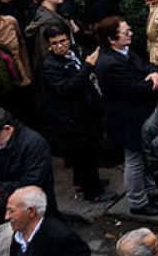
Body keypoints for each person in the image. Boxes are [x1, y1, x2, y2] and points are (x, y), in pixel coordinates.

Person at [93, 16, 158, 216]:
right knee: (134, 159)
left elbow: (146, 66)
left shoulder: (124, 52)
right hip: (127, 120)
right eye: (125, 32)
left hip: (137, 115)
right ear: (111, 39)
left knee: (143, 155)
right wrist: (153, 81)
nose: (130, 33)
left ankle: (149, 190)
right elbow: (135, 88)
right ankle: (138, 201)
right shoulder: (110, 64)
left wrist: (154, 73)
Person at [35, 25, 105, 203]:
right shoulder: (50, 66)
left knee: (86, 152)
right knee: (83, 153)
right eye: (54, 43)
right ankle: (93, 191)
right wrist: (88, 66)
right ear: (49, 46)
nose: (60, 46)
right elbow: (67, 88)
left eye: (63, 41)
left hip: (84, 111)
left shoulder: (75, 52)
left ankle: (83, 182)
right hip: (70, 117)